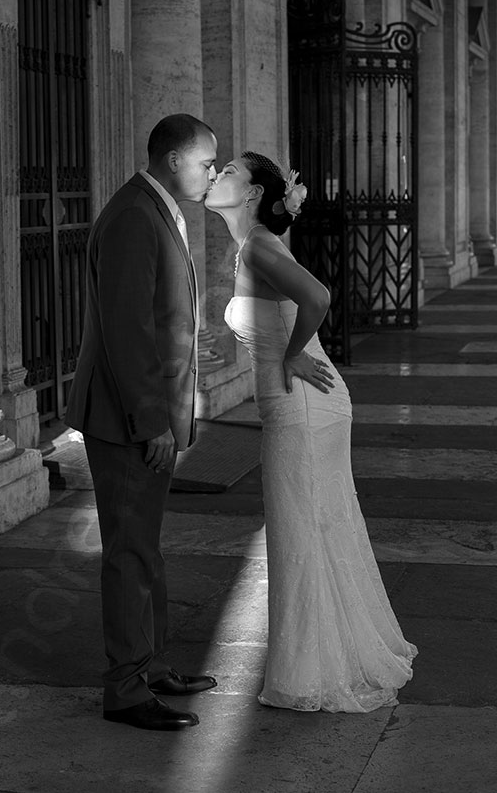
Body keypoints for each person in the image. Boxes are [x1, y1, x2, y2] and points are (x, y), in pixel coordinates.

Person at [204, 151, 417, 712]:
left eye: (227, 172)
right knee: (315, 527)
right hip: (303, 404)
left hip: (301, 405)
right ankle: (328, 658)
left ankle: (308, 675)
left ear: (251, 195)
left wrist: (293, 354)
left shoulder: (257, 245)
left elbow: (318, 297)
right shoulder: (253, 246)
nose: (216, 176)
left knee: (299, 532)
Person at [66, 114, 219, 730]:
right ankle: (126, 689)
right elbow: (129, 330)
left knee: (145, 549)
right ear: (175, 159)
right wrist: (152, 421)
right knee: (129, 553)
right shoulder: (134, 215)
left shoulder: (155, 208)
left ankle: (151, 666)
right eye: (207, 162)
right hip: (127, 417)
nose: (213, 173)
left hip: (144, 412)